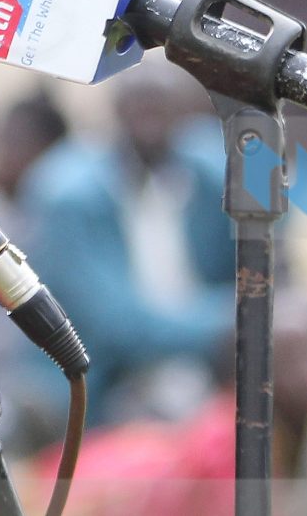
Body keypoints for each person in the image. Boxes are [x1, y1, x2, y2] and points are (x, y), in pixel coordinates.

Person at [17, 70, 235, 419]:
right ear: (116, 112)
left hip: (204, 367)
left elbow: (262, 262)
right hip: (103, 380)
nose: (151, 122)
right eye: (140, 108)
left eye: (162, 109)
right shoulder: (69, 195)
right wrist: (230, 320)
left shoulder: (207, 172)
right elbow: (114, 325)